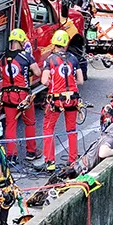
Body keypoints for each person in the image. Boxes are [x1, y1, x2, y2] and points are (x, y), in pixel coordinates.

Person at [40, 30, 84, 172]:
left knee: (48, 128)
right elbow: (80, 81)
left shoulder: (50, 60)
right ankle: (72, 160)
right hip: (72, 99)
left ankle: (50, 162)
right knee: (71, 130)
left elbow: (44, 81)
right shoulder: (73, 59)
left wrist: (54, 82)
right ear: (65, 44)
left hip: (56, 100)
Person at [0, 29, 41, 164]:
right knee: (30, 123)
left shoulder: (2, 58)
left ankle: (11, 156)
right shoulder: (26, 56)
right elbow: (38, 72)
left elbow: (2, 75)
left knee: (10, 125)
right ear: (22, 41)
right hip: (23, 96)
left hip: (7, 95)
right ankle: (31, 152)